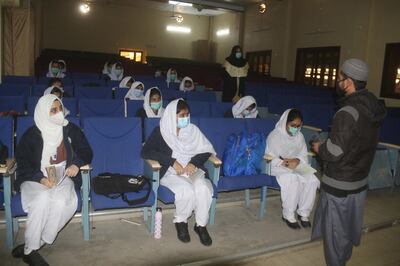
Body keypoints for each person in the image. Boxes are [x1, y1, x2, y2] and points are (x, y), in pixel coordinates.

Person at [311, 58, 386, 266]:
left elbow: (335, 152)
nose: (338, 80)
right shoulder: (372, 108)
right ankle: (344, 258)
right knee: (348, 227)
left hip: (340, 183)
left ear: (349, 81)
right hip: (360, 179)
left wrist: (320, 148)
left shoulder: (346, 112)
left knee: (336, 232)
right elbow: (357, 142)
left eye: (341, 77)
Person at [12, 94, 93, 266]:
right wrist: (40, 179)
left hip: (62, 175)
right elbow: (23, 163)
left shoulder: (70, 129)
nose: (58, 113)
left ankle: (34, 244)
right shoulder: (32, 135)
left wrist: (76, 164)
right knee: (41, 199)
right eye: (53, 110)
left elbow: (86, 150)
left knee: (65, 202)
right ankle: (30, 251)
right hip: (35, 177)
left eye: (60, 109)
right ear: (43, 112)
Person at [141, 99, 216, 246]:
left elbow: (206, 150)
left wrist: (193, 162)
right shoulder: (161, 132)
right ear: (171, 116)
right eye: (181, 115)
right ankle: (181, 221)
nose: (185, 119)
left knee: (203, 188)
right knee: (185, 191)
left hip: (191, 170)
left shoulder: (193, 130)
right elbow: (146, 152)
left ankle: (200, 225)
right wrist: (171, 161)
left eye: (187, 115)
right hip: (170, 173)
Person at [266, 109, 320, 229]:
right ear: (285, 122)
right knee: (293, 179)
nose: (295, 128)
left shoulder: (299, 136)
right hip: (277, 166)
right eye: (293, 125)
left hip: (295, 165)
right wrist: (285, 163)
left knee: (312, 180)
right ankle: (288, 215)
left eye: (298, 126)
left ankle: (303, 213)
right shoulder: (275, 135)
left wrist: (298, 161)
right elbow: (270, 157)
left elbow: (303, 155)